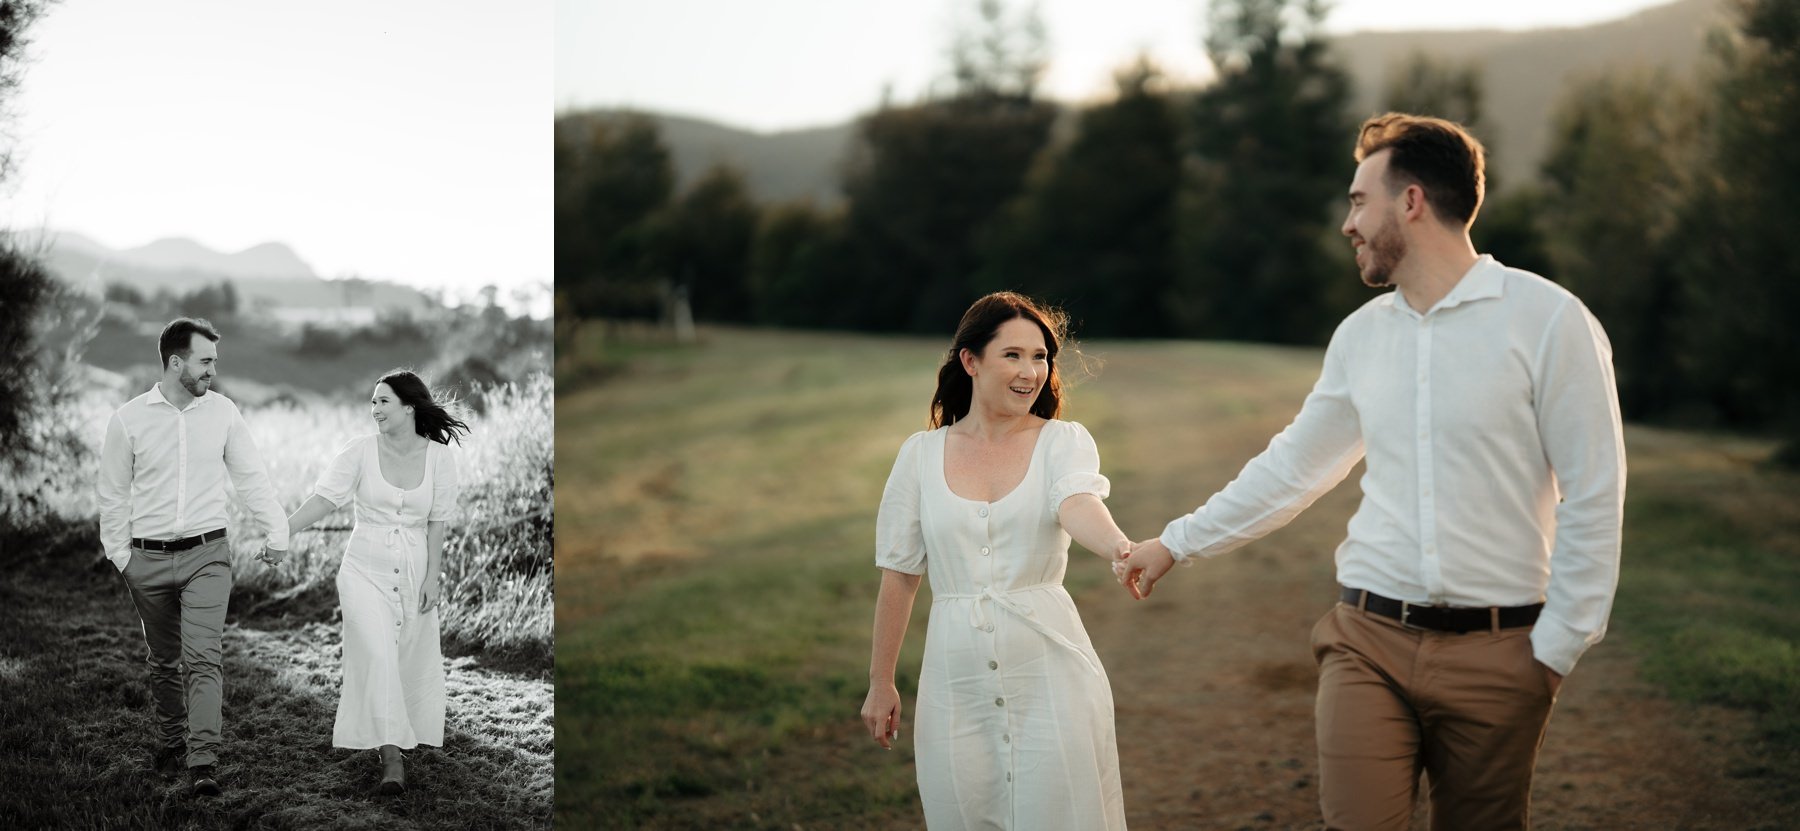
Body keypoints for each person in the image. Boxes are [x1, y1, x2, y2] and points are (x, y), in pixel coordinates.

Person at [1116, 112, 1626, 829]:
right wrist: (1175, 542)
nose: (1347, 224)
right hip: (1369, 641)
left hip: (1502, 656)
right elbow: (1295, 464)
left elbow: (1595, 493)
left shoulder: (1549, 321)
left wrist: (1556, 648)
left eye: (1359, 201)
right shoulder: (1361, 337)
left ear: (1411, 202)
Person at [860, 291, 1133, 830]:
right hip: (954, 683)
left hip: (1051, 675)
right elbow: (900, 576)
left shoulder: (1063, 442)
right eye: (1012, 355)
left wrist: (1120, 549)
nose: (1031, 371)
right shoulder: (919, 455)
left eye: (1040, 357)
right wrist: (881, 681)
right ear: (970, 360)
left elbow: (1078, 504)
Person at [96, 317, 290, 797]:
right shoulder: (128, 420)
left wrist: (277, 529)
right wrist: (123, 558)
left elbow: (251, 478)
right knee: (163, 661)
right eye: (205, 362)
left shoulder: (223, 413)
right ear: (175, 362)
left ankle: (202, 759)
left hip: (208, 554)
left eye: (214, 363)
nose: (212, 372)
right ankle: (169, 738)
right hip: (148, 559)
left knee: (203, 658)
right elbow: (113, 495)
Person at [282, 369, 466, 795]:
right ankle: (391, 759)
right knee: (379, 655)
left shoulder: (439, 457)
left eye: (383, 402)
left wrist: (433, 578)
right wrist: (282, 532)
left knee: (405, 658)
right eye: (372, 402)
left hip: (415, 569)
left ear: (409, 406)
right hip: (363, 570)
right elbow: (324, 500)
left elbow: (437, 523)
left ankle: (400, 731)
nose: (374, 410)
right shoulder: (360, 452)